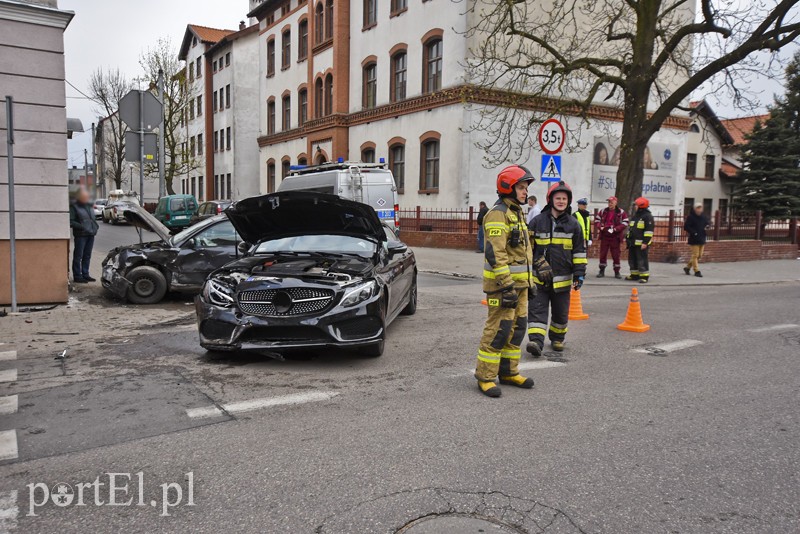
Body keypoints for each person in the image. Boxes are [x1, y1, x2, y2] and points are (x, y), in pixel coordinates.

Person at [474, 165, 537, 398]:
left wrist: (530, 282)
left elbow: (524, 250)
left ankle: (509, 372)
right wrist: (507, 285)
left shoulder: (517, 212)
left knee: (517, 330)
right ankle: (485, 377)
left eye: (526, 188)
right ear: (507, 187)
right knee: (498, 330)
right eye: (521, 187)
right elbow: (495, 253)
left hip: (518, 287)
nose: (525, 192)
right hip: (503, 287)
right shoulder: (497, 213)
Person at [526, 181, 587, 356]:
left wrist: (579, 274)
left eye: (564, 198)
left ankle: (557, 339)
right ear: (550, 199)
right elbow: (527, 249)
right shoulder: (537, 222)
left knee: (561, 313)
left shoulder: (574, 224)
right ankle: (536, 342)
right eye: (558, 198)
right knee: (537, 311)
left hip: (563, 281)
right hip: (540, 279)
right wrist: (538, 262)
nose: (561, 201)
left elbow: (579, 252)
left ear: (569, 201)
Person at [69, 186, 99, 283]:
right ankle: (77, 276)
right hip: (81, 235)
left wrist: (95, 226)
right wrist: (82, 226)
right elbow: (70, 221)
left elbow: (92, 219)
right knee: (78, 256)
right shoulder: (74, 206)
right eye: (84, 195)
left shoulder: (89, 205)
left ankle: (85, 274)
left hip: (91, 234)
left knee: (87, 255)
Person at [594, 196, 628, 279]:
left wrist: (616, 229)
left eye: (611, 202)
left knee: (616, 255)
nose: (610, 203)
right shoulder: (603, 211)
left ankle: (617, 272)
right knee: (603, 254)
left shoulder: (621, 212)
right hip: (605, 235)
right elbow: (596, 220)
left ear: (616, 202)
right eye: (609, 202)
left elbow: (626, 222)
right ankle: (601, 271)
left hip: (615, 236)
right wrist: (600, 227)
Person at [625, 197, 655, 283]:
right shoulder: (636, 216)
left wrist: (645, 243)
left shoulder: (648, 217)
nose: (635, 207)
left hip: (641, 244)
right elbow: (631, 228)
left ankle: (644, 276)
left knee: (641, 260)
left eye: (636, 205)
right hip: (633, 243)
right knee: (632, 259)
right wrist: (628, 239)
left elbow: (649, 232)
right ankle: (634, 275)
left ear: (641, 206)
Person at [683, 202, 710, 277]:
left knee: (699, 255)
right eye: (698, 208)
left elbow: (707, 223)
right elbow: (686, 227)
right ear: (695, 209)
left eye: (700, 208)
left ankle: (687, 267)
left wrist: (708, 225)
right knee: (695, 255)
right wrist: (693, 232)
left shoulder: (703, 216)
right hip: (694, 238)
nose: (699, 209)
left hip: (702, 237)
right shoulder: (691, 217)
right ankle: (696, 271)